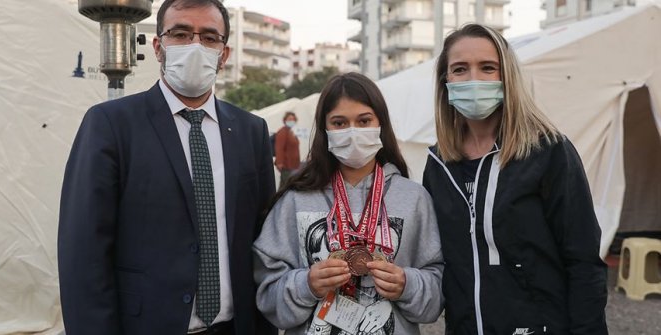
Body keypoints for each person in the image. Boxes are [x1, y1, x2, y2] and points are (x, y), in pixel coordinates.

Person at [57, 1, 277, 334]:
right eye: (181, 33)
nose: (195, 46)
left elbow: (265, 241)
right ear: (159, 47)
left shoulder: (251, 131)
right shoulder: (111, 125)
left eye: (209, 37)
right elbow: (83, 252)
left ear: (224, 53)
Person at [422, 23, 608, 335]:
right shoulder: (437, 165)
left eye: (487, 68)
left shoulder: (548, 151)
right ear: (446, 81)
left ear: (506, 76)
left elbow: (583, 260)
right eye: (460, 69)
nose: (474, 79)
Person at [253, 72, 444, 335]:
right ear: (324, 130)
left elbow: (439, 287)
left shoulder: (414, 199)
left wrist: (407, 285)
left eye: (364, 120)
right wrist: (306, 285)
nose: (353, 131)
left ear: (381, 125)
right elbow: (266, 293)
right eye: (339, 123)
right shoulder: (295, 200)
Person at [274, 111, 300, 187]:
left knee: (288, 186)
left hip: (294, 165)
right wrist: (279, 162)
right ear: (285, 120)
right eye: (289, 119)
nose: (291, 120)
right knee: (285, 186)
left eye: (293, 119)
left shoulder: (292, 132)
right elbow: (279, 148)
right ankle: (279, 199)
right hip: (286, 165)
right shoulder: (282, 132)